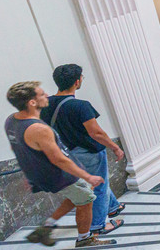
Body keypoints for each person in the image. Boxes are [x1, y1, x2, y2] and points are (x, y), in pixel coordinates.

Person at [4, 81, 114, 248]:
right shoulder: (38, 129)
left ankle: (46, 227)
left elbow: (17, 147)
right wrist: (88, 176)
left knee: (78, 195)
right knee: (86, 198)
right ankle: (85, 239)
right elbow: (59, 159)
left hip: (41, 173)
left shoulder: (11, 121)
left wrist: (29, 174)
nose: (47, 95)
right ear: (32, 102)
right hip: (58, 173)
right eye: (41, 94)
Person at [40, 64, 125, 236]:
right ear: (77, 82)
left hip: (67, 154)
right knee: (99, 186)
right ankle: (97, 226)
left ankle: (113, 207)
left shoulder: (45, 105)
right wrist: (115, 147)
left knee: (96, 182)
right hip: (88, 153)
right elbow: (96, 133)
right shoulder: (81, 106)